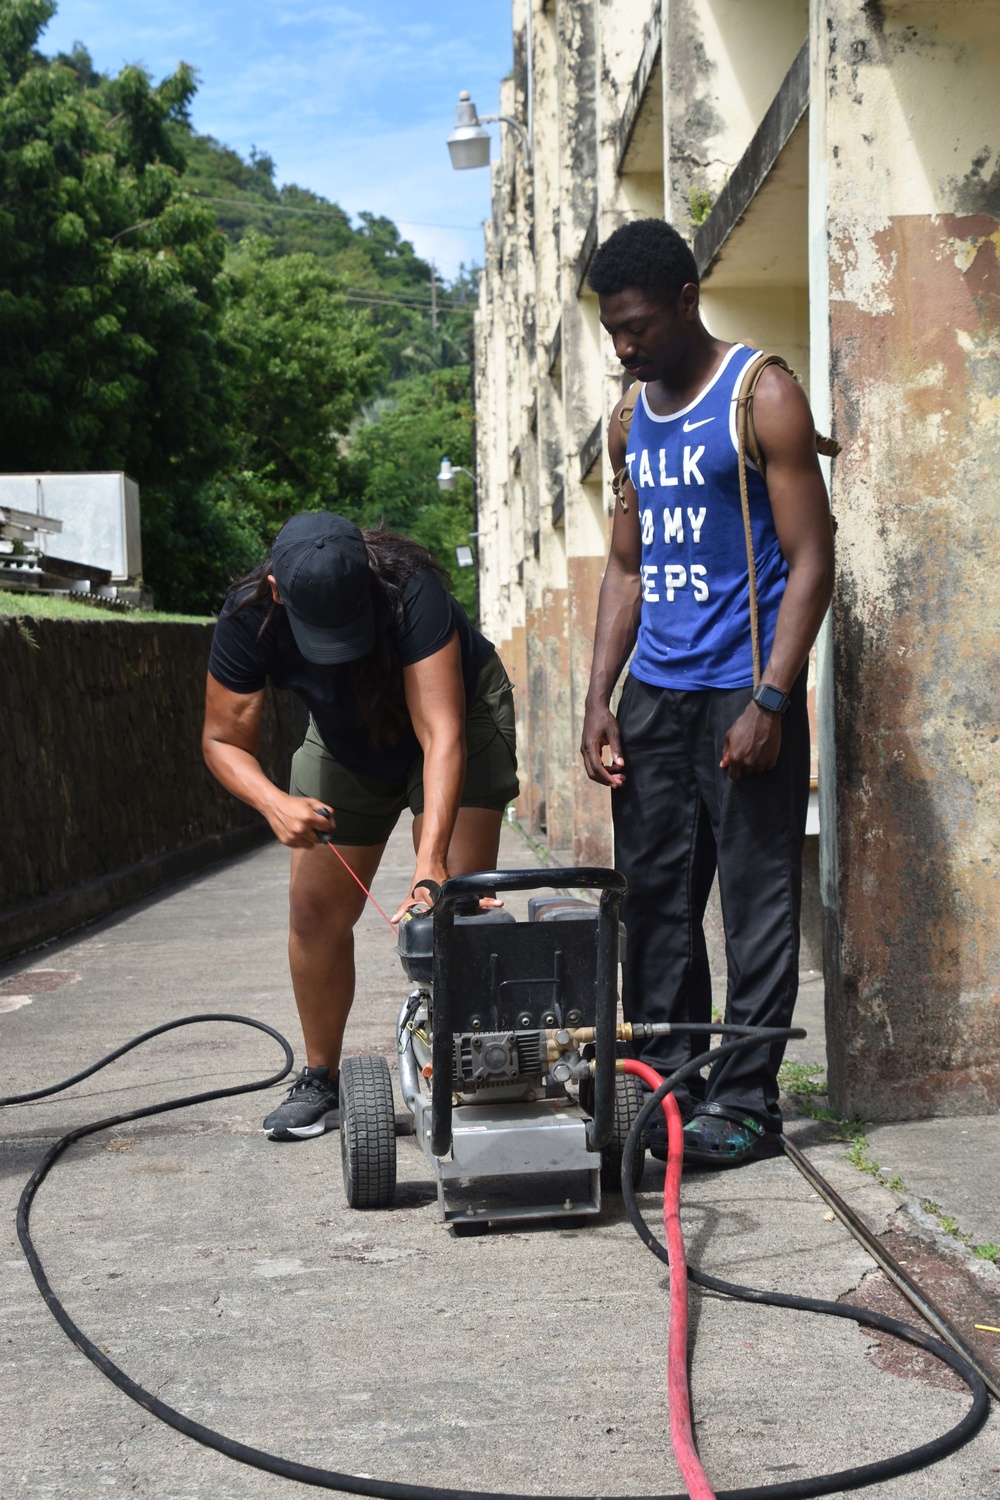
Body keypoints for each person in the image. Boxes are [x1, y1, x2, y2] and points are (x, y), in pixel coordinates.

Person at [580, 219, 834, 1167]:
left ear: (687, 300)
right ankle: (671, 1089)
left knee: (758, 906)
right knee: (654, 904)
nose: (625, 345)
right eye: (613, 330)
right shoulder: (626, 420)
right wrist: (601, 695)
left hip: (742, 691)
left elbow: (813, 561)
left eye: (638, 325)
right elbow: (625, 569)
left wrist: (772, 701)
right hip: (656, 695)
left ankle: (747, 1102)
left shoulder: (761, 394)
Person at [203, 512, 518, 1141]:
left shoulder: (411, 590)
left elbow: (442, 733)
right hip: (345, 742)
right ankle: (321, 1079)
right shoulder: (248, 619)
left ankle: (478, 1066)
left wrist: (431, 866)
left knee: (455, 909)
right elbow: (221, 739)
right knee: (314, 910)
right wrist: (273, 802)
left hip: (458, 722)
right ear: (277, 592)